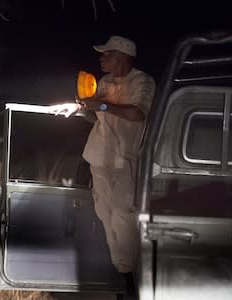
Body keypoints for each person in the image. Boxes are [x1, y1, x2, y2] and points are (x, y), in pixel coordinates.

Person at [51, 35, 156, 291]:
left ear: (120, 56)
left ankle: (135, 278)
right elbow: (93, 109)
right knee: (106, 217)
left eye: (106, 54)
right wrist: (76, 108)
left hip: (125, 162)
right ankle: (124, 277)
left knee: (124, 218)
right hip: (98, 158)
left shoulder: (142, 82)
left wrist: (103, 106)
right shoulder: (105, 82)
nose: (101, 58)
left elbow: (138, 113)